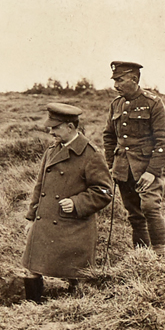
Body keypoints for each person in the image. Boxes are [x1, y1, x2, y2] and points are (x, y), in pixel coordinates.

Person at [23, 103, 113, 303]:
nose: (51, 131)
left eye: (55, 128)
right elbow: (40, 186)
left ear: (71, 127)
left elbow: (105, 192)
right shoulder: (51, 151)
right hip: (45, 221)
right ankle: (31, 309)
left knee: (75, 274)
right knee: (32, 268)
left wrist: (76, 203)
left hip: (74, 225)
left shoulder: (91, 154)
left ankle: (77, 308)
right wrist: (31, 217)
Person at [102, 61, 165, 256]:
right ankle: (141, 257)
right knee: (135, 214)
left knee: (150, 208)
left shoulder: (153, 102)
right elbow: (109, 137)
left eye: (119, 80)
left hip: (148, 167)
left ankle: (160, 257)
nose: (115, 85)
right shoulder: (116, 104)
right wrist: (112, 165)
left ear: (134, 79)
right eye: (114, 80)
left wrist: (152, 172)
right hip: (123, 168)